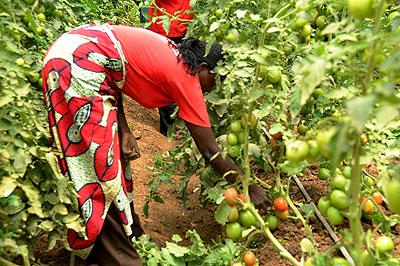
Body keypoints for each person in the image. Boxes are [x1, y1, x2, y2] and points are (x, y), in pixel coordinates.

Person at [41, 23, 267, 265]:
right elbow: (210, 149)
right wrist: (247, 186)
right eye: (215, 78)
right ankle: (117, 255)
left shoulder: (177, 59)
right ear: (202, 67)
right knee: (98, 168)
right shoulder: (185, 78)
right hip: (75, 64)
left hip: (82, 55)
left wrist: (124, 129)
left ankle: (132, 235)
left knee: (114, 161)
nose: (215, 85)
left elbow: (113, 75)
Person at [137, 0, 193, 135]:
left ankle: (171, 126)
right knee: (172, 74)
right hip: (174, 24)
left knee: (167, 75)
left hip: (173, 24)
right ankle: (172, 127)